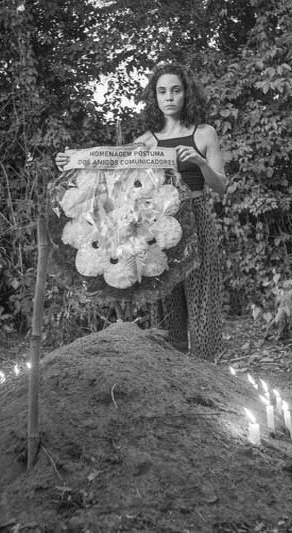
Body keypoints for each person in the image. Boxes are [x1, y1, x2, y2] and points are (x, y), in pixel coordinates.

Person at [55, 62, 228, 360]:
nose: (169, 97)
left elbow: (221, 185)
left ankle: (207, 365)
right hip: (158, 224)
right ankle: (172, 364)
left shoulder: (204, 134)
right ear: (155, 97)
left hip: (197, 214)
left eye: (176, 90)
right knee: (167, 294)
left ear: (187, 94)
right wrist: (72, 161)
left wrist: (199, 163)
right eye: (162, 91)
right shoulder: (146, 141)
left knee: (202, 291)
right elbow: (114, 169)